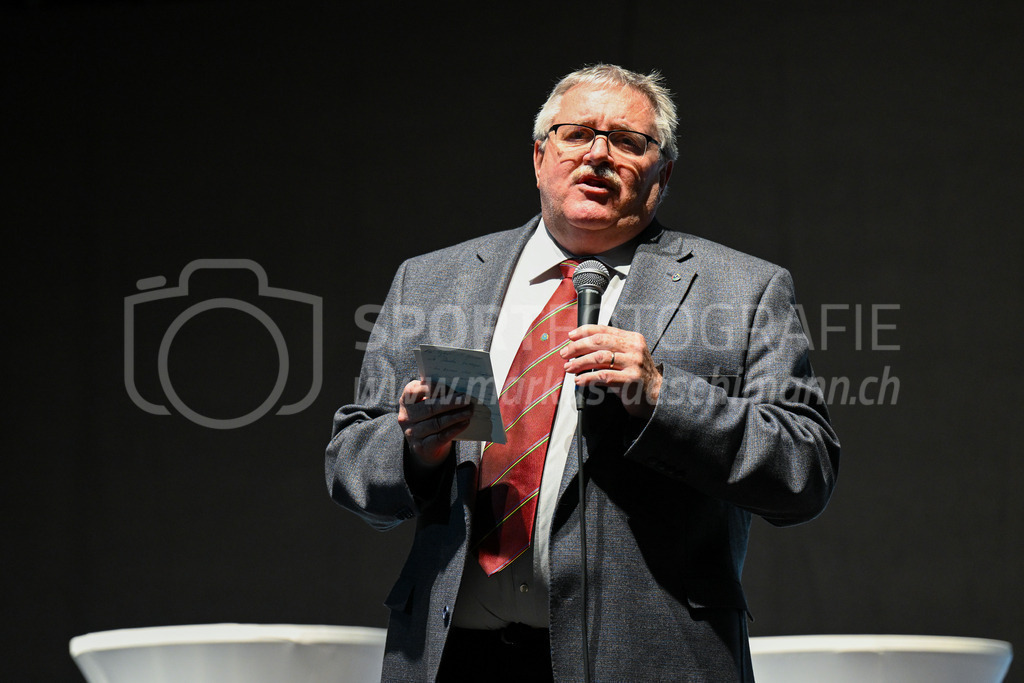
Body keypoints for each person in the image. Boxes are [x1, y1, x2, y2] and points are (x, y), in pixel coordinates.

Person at [326, 64, 840, 682]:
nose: (599, 154)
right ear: (540, 156)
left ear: (662, 174)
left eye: (628, 141)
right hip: (451, 659)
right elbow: (352, 463)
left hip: (648, 661)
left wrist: (662, 397)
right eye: (577, 134)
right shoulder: (435, 280)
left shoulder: (744, 291)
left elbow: (803, 472)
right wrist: (418, 449)